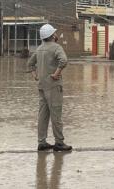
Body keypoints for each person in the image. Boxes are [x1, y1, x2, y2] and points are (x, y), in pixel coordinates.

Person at [27, 23, 72, 152]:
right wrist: (56, 74)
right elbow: (64, 61)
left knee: (43, 115)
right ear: (52, 35)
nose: (56, 34)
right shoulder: (56, 47)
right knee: (56, 114)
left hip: (41, 86)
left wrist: (35, 76)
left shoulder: (39, 49)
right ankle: (59, 142)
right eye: (55, 33)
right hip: (53, 86)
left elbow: (30, 64)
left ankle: (42, 142)